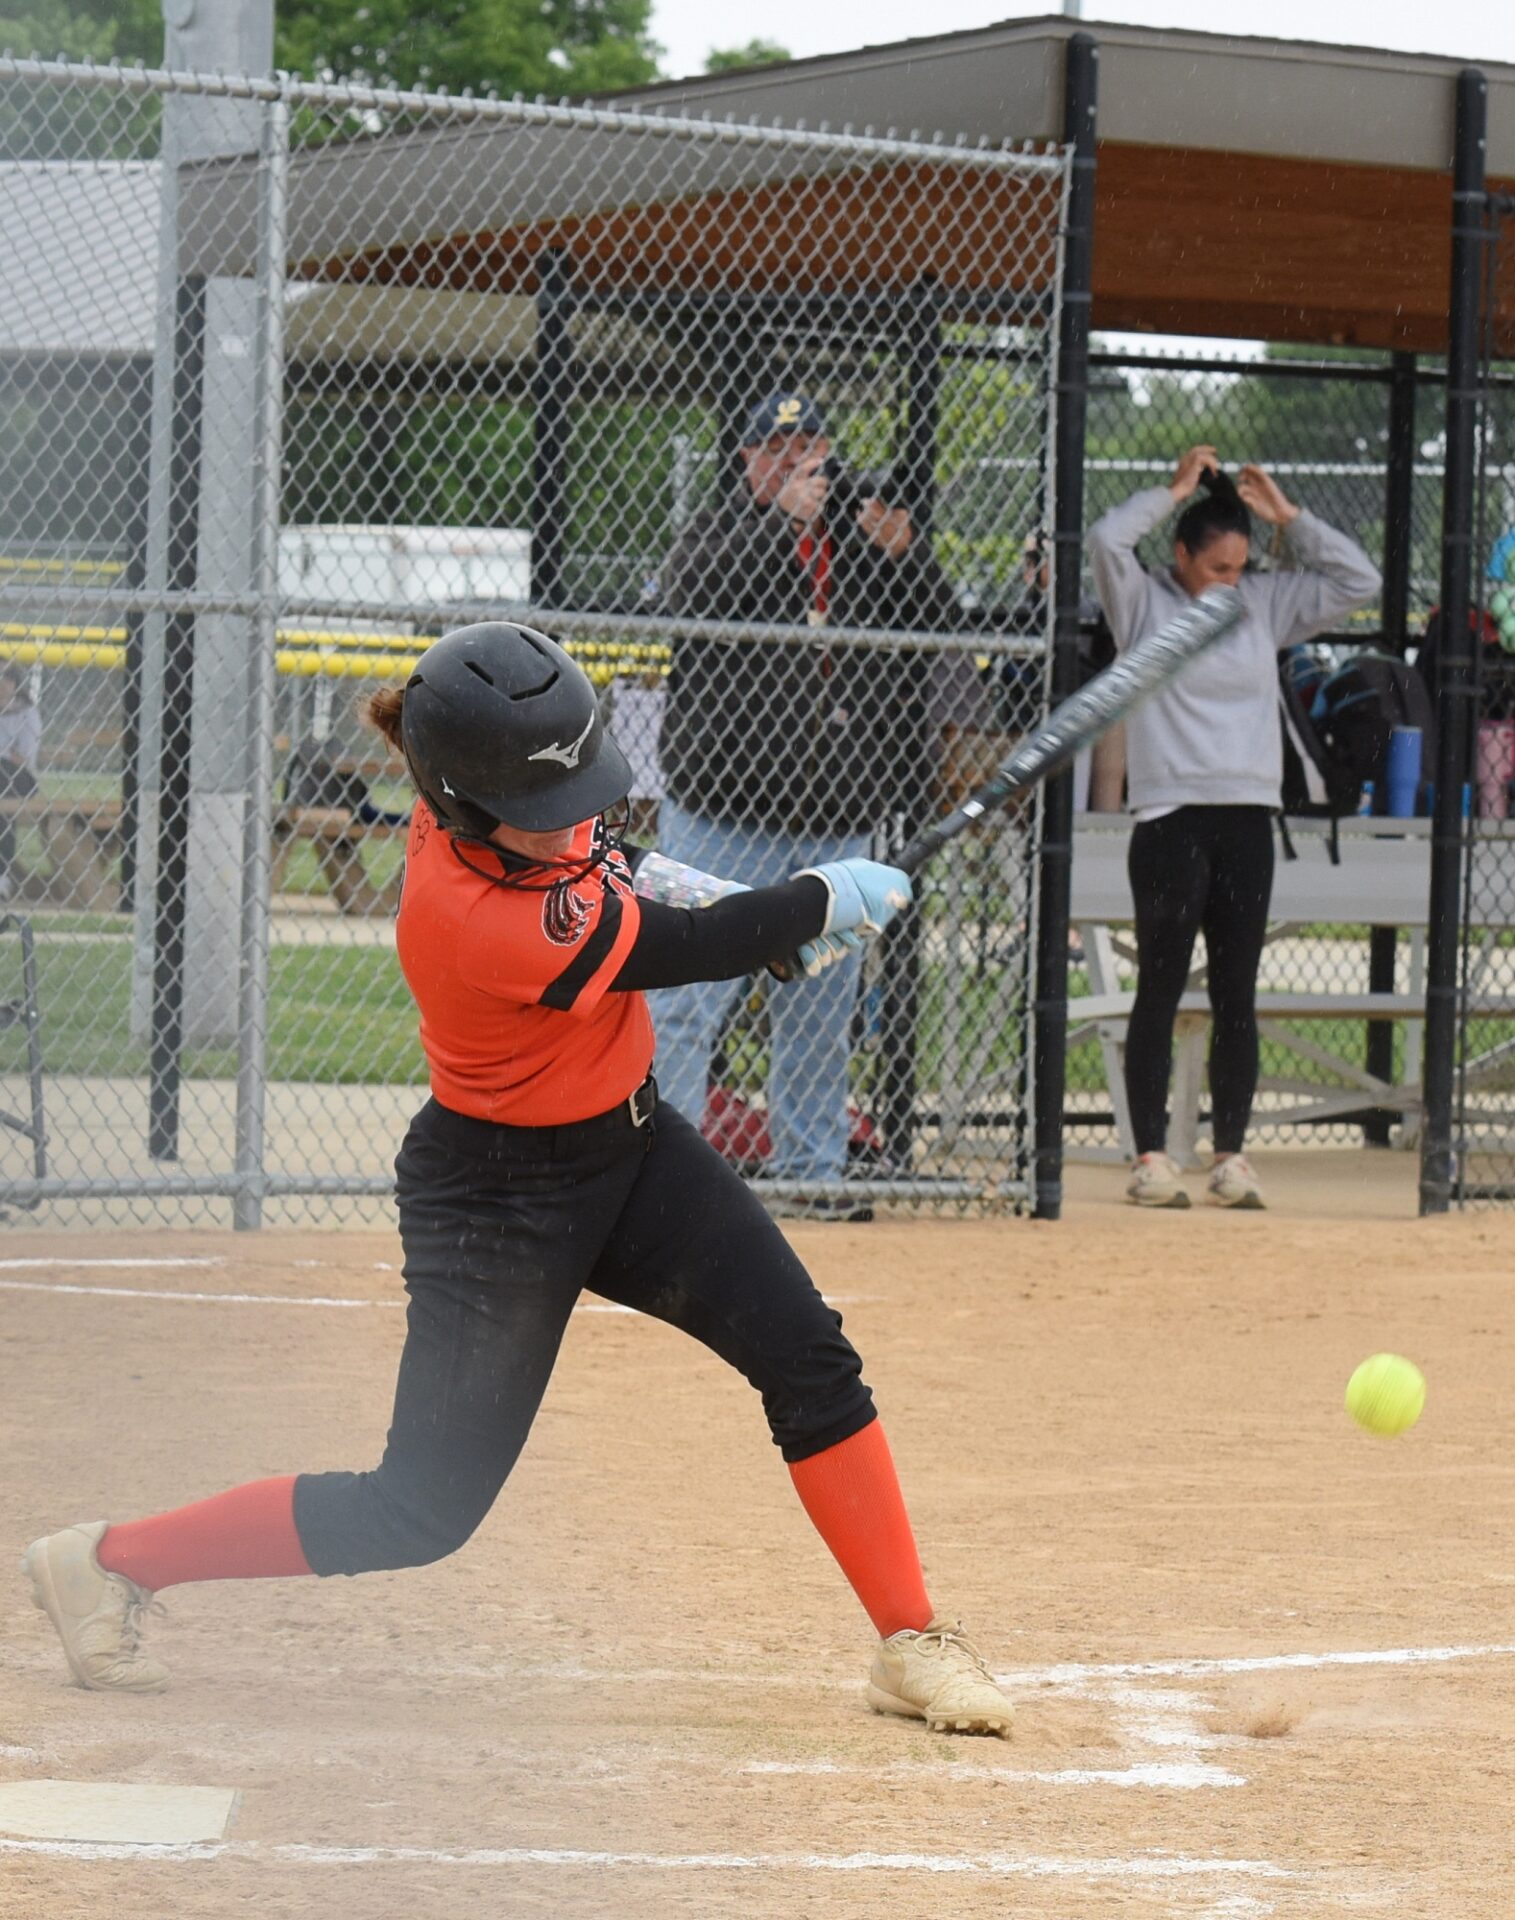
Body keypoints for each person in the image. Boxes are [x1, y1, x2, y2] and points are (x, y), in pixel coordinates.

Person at [20, 621, 1016, 1740]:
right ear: (461, 804)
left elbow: (614, 867)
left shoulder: (520, 817)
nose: (571, 824)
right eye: (545, 812)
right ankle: (108, 1564)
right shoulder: (472, 916)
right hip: (496, 1204)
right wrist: (807, 905)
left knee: (810, 1356)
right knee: (419, 1510)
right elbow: (667, 947)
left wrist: (748, 904)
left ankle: (911, 1639)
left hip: (632, 1153)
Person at [653, 390, 964, 1218]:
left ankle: (810, 1172)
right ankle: (663, 1178)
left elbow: (938, 631)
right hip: (723, 815)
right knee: (685, 1003)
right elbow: (691, 597)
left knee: (821, 1007)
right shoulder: (720, 532)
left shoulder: (857, 541)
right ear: (750, 461)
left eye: (811, 450)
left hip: (835, 816)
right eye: (777, 451)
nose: (797, 464)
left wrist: (906, 555)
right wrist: (778, 523)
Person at [1088, 446, 1381, 1211]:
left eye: (1241, 566)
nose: (1231, 581)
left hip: (1248, 816)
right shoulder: (1142, 601)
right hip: (1169, 817)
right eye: (1217, 567)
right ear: (1181, 555)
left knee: (1236, 992)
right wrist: (1170, 491)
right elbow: (1105, 540)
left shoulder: (1263, 603)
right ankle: (1150, 1156)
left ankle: (1232, 1155)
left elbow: (1361, 582)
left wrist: (1291, 520)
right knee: (1158, 986)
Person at [0, 662, 40, 900]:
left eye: (7, 678)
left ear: (15, 683)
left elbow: (23, 756)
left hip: (16, 777)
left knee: (4, 800)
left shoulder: (26, 711)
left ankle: (2, 875)